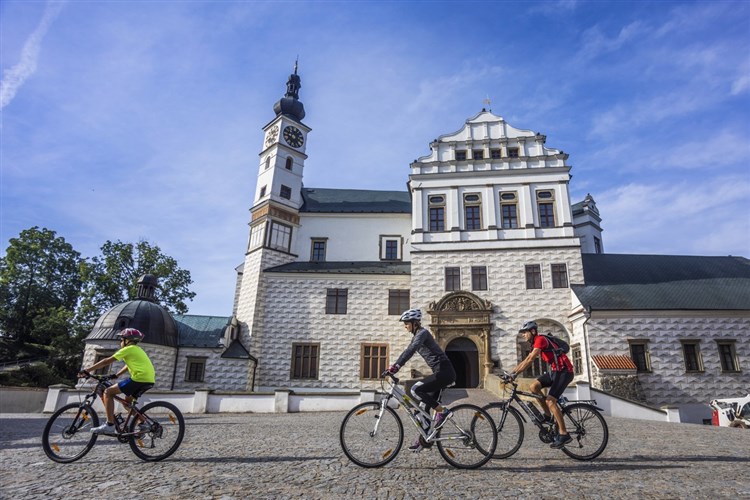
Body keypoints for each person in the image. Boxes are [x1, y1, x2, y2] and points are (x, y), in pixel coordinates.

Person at [388, 308, 457, 451]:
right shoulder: (417, 336)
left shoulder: (423, 333)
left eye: (406, 323)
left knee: (415, 389)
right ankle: (425, 440)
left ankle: (443, 412)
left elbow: (411, 350)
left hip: (444, 372)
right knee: (422, 408)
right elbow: (407, 350)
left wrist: (397, 366)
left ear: (414, 323)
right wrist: (395, 364)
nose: (405, 326)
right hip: (441, 372)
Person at [508, 320, 575, 448]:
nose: (523, 335)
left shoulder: (540, 339)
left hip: (564, 372)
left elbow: (530, 359)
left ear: (533, 331)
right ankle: (548, 415)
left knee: (551, 401)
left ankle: (563, 434)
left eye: (525, 332)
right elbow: (526, 359)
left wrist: (514, 374)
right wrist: (513, 372)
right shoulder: (536, 343)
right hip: (555, 371)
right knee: (534, 386)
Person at [79, 328, 155, 435]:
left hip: (139, 378)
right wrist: (117, 375)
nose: (120, 342)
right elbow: (128, 365)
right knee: (127, 403)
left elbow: (106, 361)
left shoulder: (128, 349)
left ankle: (109, 425)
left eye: (121, 339)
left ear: (127, 340)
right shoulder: (138, 350)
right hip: (148, 380)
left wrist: (87, 370)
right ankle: (143, 423)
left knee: (108, 392)